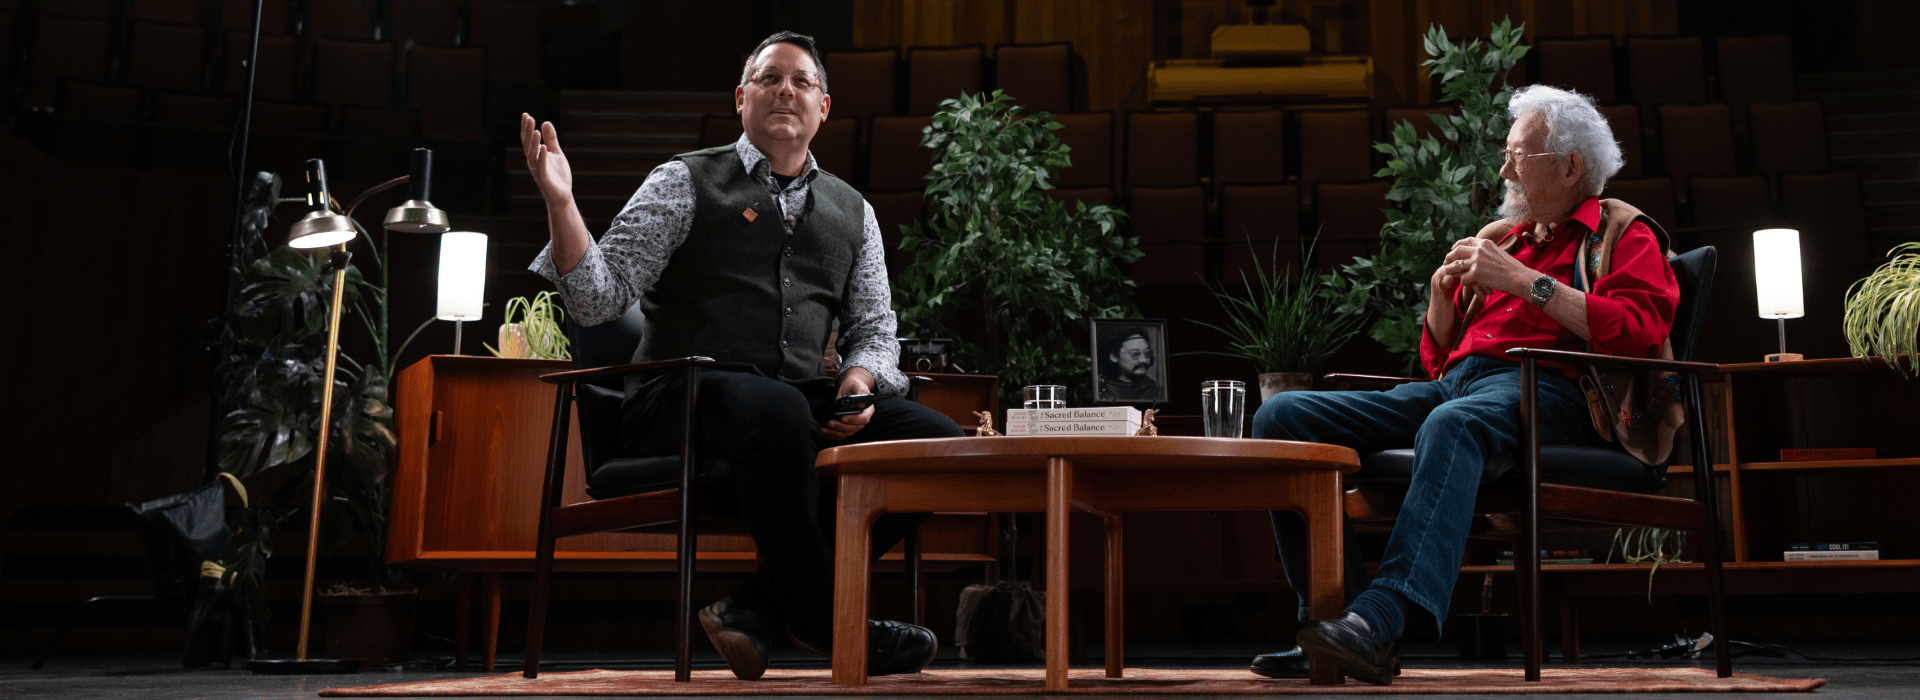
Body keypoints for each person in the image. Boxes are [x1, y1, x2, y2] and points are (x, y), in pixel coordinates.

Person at [521, 31, 959, 680]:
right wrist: (561, 202)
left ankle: (761, 609)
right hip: (680, 393)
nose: (786, 90)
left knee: (935, 446)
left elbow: (875, 328)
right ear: (741, 98)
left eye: (802, 81)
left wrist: (860, 381)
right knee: (779, 411)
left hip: (795, 402)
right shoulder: (683, 181)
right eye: (768, 78)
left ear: (825, 107)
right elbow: (598, 300)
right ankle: (824, 621)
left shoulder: (854, 211)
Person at [1247, 85, 1679, 685]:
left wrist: (1528, 283)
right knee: (1281, 418)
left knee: (1451, 423)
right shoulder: (1505, 237)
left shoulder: (1622, 233)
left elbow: (1639, 331)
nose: (1504, 169)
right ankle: (1331, 625)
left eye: (1518, 156)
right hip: (1462, 387)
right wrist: (1439, 297)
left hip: (1552, 391)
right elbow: (1438, 361)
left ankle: (1379, 618)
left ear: (1570, 165)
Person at [1097, 328, 1162, 402]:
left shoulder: (1156, 390)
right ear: (1114, 356)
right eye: (1135, 354)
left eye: (1147, 353)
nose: (1143, 360)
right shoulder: (1101, 388)